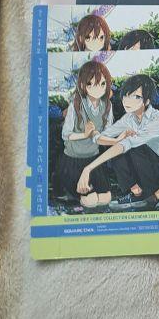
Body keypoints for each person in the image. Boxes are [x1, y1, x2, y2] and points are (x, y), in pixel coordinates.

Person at [80, 74, 159, 212]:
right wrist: (93, 133)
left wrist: (88, 168)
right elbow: (105, 136)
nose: (128, 101)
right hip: (157, 166)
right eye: (126, 95)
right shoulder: (130, 118)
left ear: (147, 101)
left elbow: (127, 144)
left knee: (135, 145)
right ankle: (137, 192)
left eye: (136, 97)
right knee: (117, 143)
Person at [55, 61, 114, 211]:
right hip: (73, 160)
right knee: (90, 200)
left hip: (93, 159)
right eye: (91, 84)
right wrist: (85, 134)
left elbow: (108, 132)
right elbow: (65, 135)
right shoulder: (75, 106)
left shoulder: (107, 106)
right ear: (83, 85)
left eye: (102, 84)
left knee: (106, 198)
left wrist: (102, 135)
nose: (97, 89)